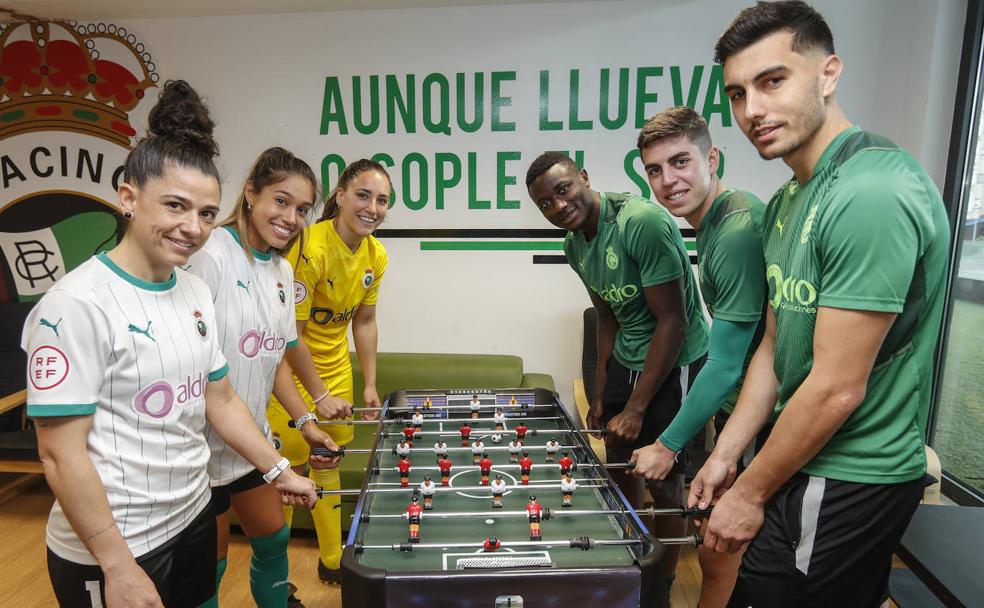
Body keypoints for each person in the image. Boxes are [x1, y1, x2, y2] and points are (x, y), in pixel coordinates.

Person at [689, 3, 950, 607]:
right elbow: (776, 350)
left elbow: (837, 387)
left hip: (852, 471)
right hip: (805, 455)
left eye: (772, 81)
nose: (751, 110)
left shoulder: (870, 192)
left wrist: (749, 494)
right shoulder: (788, 200)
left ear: (828, 74)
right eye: (737, 93)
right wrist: (726, 454)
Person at [22, 80, 317, 608]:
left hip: (192, 515)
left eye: (205, 213)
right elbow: (60, 454)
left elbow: (220, 400)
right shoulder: (75, 305)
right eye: (175, 206)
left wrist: (278, 470)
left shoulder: (194, 290)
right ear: (129, 196)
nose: (193, 228)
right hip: (118, 545)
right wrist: (118, 565)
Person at [526, 152, 709, 590]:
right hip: (629, 355)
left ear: (584, 177)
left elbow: (674, 322)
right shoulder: (574, 244)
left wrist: (637, 409)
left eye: (563, 189)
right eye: (545, 203)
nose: (558, 205)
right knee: (621, 461)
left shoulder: (640, 223)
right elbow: (606, 313)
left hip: (676, 359)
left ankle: (659, 582)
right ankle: (628, 555)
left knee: (664, 482)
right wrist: (602, 387)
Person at [186, 147, 342, 608]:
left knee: (274, 540)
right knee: (208, 569)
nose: (290, 217)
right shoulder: (209, 256)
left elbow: (274, 361)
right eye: (281, 200)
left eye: (301, 209)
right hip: (199, 452)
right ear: (251, 193)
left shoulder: (281, 269)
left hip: (251, 445)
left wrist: (306, 424)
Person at [632, 106, 768, 606]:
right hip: (743, 411)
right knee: (719, 547)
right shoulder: (713, 221)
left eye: (681, 162)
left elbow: (728, 360)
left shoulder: (734, 232)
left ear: (712, 158)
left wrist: (667, 445)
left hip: (768, 415)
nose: (668, 180)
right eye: (655, 169)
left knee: (722, 552)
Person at [267, 158, 392, 584]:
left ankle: (333, 561)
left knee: (327, 461)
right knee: (287, 471)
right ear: (339, 195)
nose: (372, 207)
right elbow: (292, 337)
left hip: (336, 371)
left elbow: (364, 320)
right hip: (290, 373)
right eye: (362, 195)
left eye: (382, 200)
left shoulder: (377, 254)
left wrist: (369, 383)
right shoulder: (309, 247)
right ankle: (276, 570)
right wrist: (319, 396)